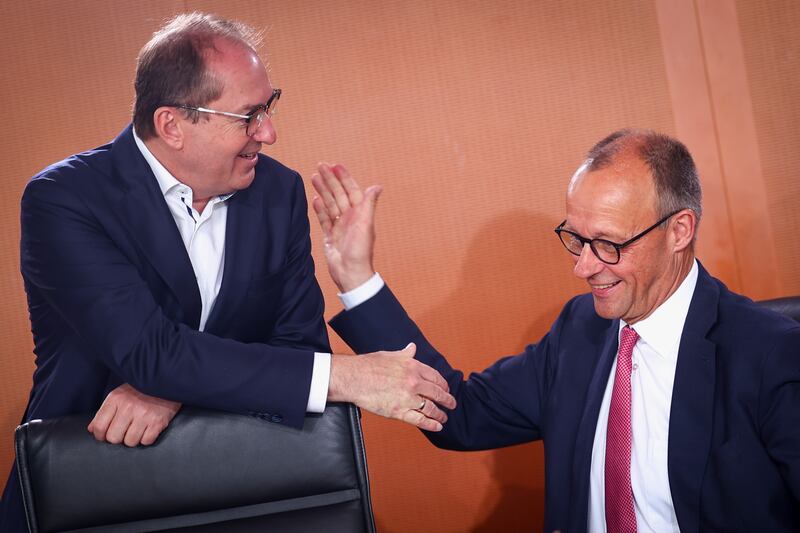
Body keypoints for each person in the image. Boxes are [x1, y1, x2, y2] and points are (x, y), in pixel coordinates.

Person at [0, 13, 454, 532]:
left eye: (270, 105)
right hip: (91, 490)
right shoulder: (64, 200)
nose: (270, 132)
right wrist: (348, 377)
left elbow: (296, 345)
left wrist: (172, 386)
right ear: (172, 124)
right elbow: (149, 352)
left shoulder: (276, 192)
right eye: (249, 115)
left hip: (244, 489)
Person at [311, 130, 800, 532]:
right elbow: (459, 414)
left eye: (608, 244)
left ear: (679, 230)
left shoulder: (769, 354)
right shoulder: (579, 329)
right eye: (576, 239)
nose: (584, 267)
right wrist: (357, 279)